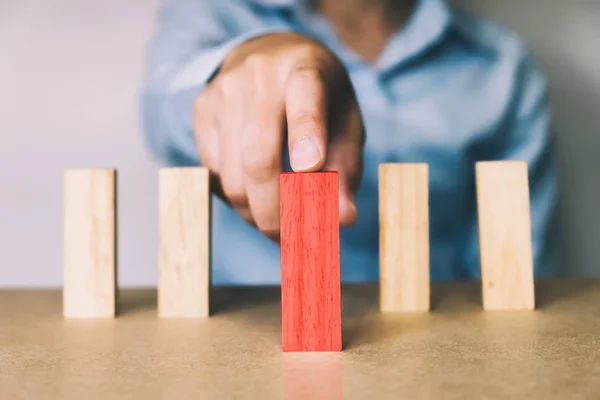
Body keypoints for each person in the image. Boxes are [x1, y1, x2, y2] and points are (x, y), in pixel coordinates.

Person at [140, 0, 558, 285]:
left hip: (435, 356)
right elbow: (162, 113)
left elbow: (520, 268)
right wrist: (237, 64)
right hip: (248, 347)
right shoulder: (213, 13)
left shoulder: (503, 66)